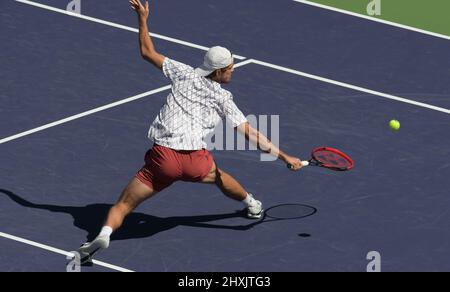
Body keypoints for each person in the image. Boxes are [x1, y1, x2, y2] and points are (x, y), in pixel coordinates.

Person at [77, 0, 303, 264]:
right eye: (230, 67)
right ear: (219, 71)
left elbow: (147, 52)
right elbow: (250, 134)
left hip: (163, 160)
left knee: (124, 205)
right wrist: (285, 158)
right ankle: (252, 204)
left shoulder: (183, 73)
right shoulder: (223, 98)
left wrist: (143, 18)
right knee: (218, 176)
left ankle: (104, 234)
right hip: (196, 161)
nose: (233, 70)